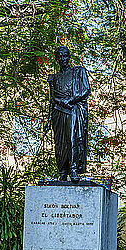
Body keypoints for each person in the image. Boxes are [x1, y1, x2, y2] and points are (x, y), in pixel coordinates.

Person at [44, 46, 91, 182]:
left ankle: (74, 168)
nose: (63, 59)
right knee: (59, 143)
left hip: (72, 109)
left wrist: (69, 100)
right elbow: (52, 100)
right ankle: (62, 171)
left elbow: (86, 90)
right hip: (58, 112)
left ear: (68, 57)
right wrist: (48, 120)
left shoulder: (79, 72)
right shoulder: (54, 78)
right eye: (60, 57)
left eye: (65, 56)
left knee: (72, 139)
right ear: (57, 59)